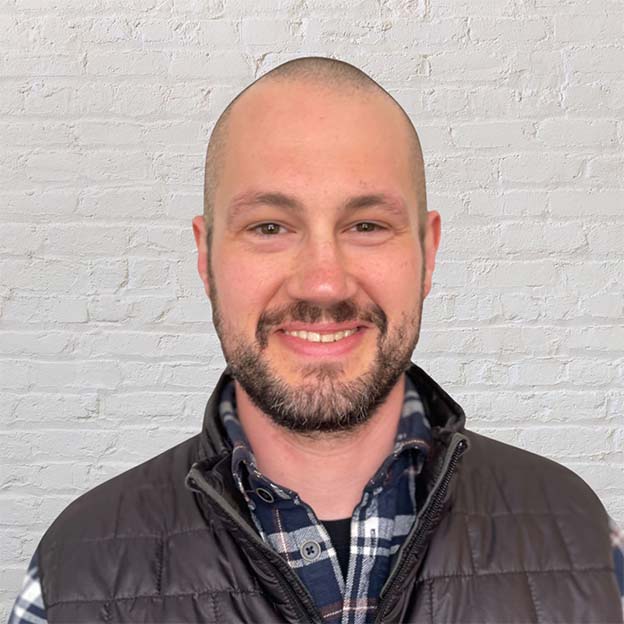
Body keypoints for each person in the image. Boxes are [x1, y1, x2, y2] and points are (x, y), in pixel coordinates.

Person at [9, 57, 624, 624]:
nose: (324, 283)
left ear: (427, 252)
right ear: (206, 256)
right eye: (269, 227)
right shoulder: (75, 575)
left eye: (367, 225)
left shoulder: (584, 543)